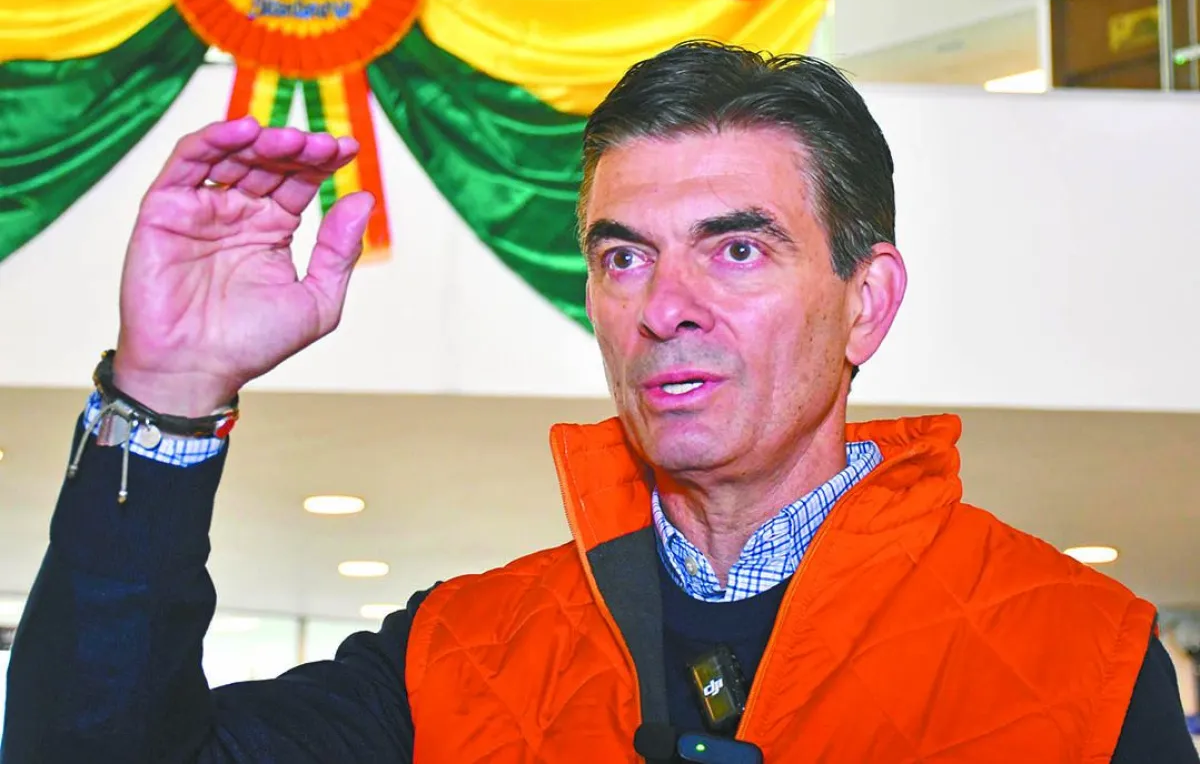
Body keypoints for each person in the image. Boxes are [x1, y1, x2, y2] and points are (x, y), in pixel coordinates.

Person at [2, 42, 1197, 764]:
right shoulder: (457, 650)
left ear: (866, 302)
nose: (664, 306)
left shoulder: (1079, 656)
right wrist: (168, 390)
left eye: (736, 249)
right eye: (624, 255)